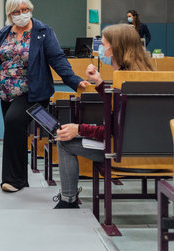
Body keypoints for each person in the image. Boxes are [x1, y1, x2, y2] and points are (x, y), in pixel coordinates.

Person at [0, 0, 88, 193]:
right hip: (6, 93)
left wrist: (74, 81)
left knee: (14, 122)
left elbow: (57, 59)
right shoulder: (4, 33)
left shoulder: (43, 31)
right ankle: (19, 179)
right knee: (14, 131)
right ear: (9, 13)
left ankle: (13, 179)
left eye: (25, 10)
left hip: (32, 93)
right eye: (17, 11)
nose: (22, 14)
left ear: (30, 9)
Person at [54, 23, 153, 209]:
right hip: (152, 153)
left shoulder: (122, 81)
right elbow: (119, 110)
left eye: (104, 44)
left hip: (121, 153)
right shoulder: (144, 76)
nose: (100, 47)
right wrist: (99, 82)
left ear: (116, 48)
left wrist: (79, 129)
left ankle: (68, 199)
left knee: (64, 141)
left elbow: (114, 130)